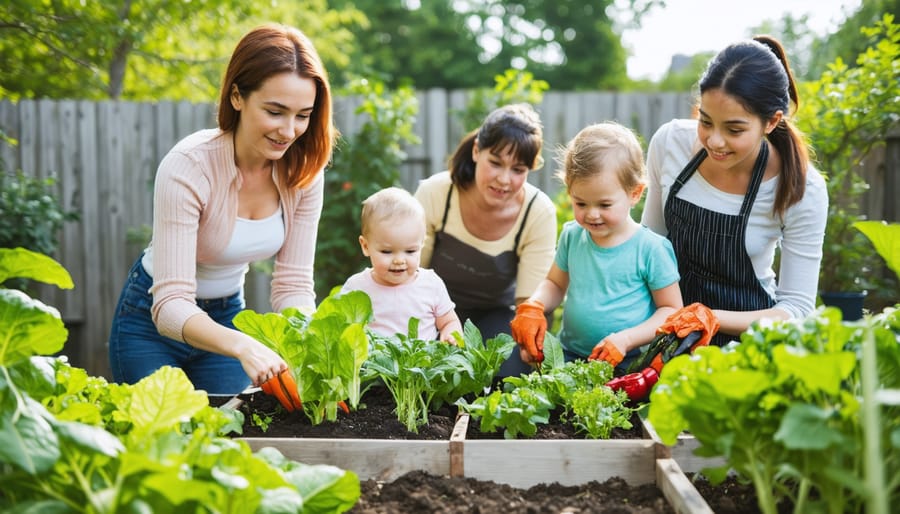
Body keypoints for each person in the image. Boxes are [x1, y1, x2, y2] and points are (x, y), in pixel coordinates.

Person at [108, 24, 337, 394]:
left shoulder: (303, 173)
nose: (289, 130)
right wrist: (245, 345)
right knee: (164, 440)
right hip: (150, 321)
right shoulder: (189, 166)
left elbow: (293, 286)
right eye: (275, 111)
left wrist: (310, 347)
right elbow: (170, 306)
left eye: (303, 114)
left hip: (227, 313)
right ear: (236, 97)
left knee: (229, 438)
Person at [641, 35, 828, 346]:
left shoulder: (801, 187)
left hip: (748, 346)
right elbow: (649, 249)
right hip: (666, 337)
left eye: (734, 129)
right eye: (706, 121)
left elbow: (796, 308)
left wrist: (710, 317)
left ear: (771, 121)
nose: (715, 141)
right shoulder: (669, 144)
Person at [510, 122, 683, 373]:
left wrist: (626, 339)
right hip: (570, 356)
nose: (592, 215)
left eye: (604, 205)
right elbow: (556, 284)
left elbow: (671, 310)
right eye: (580, 203)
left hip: (629, 362)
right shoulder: (573, 235)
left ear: (635, 193)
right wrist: (534, 305)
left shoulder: (651, 249)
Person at [413, 103, 557, 378]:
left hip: (497, 316)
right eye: (495, 163)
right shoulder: (436, 193)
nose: (504, 180)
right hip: (433, 312)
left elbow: (529, 302)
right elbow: (410, 276)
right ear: (477, 150)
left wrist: (530, 343)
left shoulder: (537, 211)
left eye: (518, 169)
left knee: (508, 374)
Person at [341, 187, 463, 342]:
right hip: (373, 365)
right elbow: (339, 325)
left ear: (421, 244)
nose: (399, 260)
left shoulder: (431, 285)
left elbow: (449, 321)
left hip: (422, 365)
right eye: (387, 251)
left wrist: (450, 334)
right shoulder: (356, 288)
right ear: (365, 246)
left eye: (410, 251)